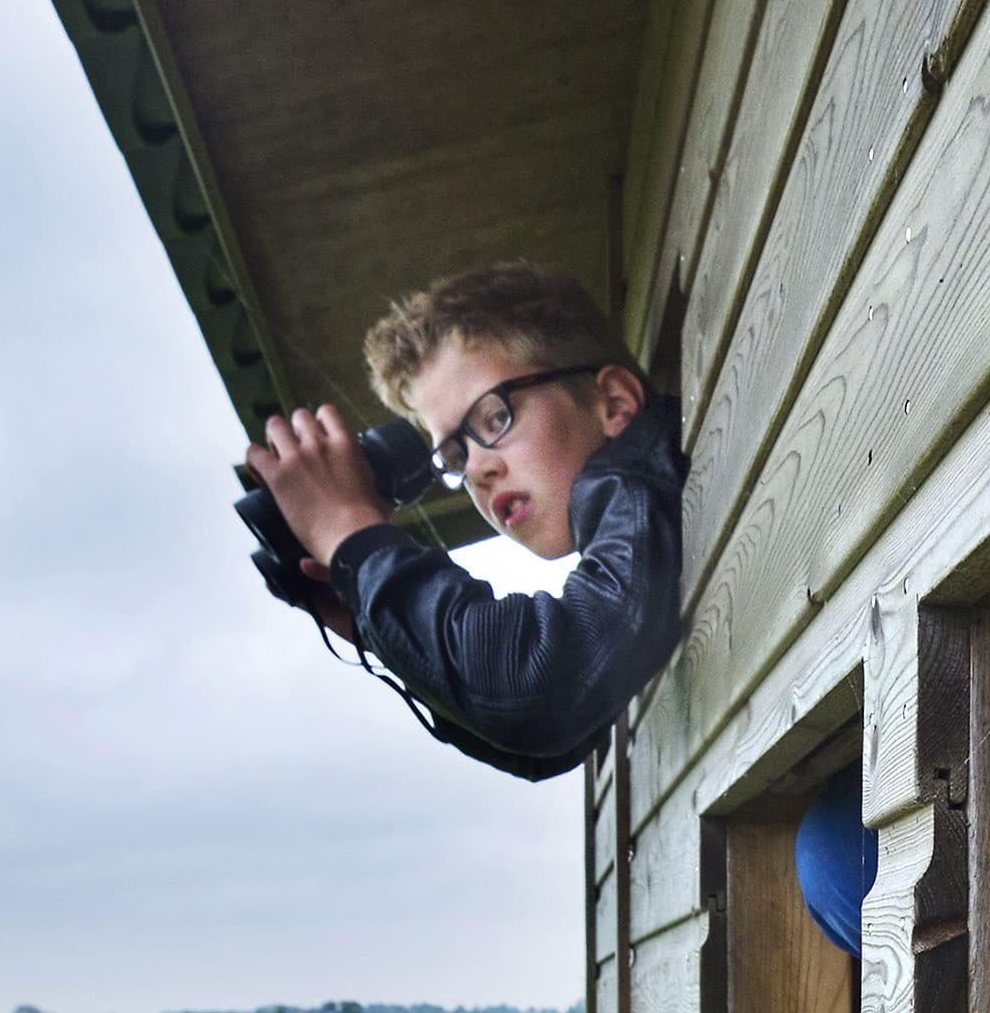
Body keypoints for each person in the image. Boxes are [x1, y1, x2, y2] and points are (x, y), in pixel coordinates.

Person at [239, 261, 684, 781]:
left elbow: (539, 690)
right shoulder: (641, 509)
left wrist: (354, 536)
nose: (476, 469)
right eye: (453, 455)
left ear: (614, 403)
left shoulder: (635, 487)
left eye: (495, 418)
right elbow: (551, 743)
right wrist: (379, 619)